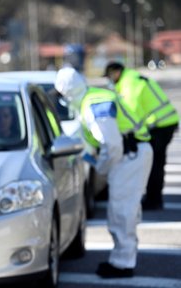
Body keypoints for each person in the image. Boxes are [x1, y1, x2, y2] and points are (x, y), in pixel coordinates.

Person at [54, 67, 153, 278]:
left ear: (68, 93)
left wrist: (101, 169)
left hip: (129, 155)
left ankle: (122, 264)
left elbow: (112, 145)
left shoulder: (93, 105)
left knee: (122, 212)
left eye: (62, 96)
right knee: (124, 210)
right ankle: (123, 259)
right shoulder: (90, 100)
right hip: (130, 154)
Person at [104, 62, 179, 210]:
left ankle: (154, 200)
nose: (109, 80)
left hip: (159, 126)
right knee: (156, 162)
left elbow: (131, 113)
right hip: (165, 123)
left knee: (153, 164)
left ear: (116, 72)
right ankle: (154, 198)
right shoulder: (131, 78)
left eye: (109, 76)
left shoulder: (128, 84)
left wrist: (130, 134)